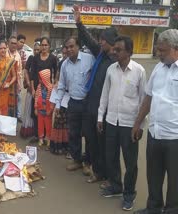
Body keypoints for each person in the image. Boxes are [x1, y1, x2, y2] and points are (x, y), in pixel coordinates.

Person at [97, 36, 146, 211]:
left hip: (129, 125)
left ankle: (129, 194)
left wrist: (139, 126)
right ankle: (116, 187)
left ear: (129, 52)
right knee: (111, 157)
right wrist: (100, 117)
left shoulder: (139, 71)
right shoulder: (111, 69)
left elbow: (143, 101)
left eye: (118, 49)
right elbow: (105, 94)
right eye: (114, 49)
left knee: (130, 162)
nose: (114, 52)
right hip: (111, 121)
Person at [132, 29, 178, 214]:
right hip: (154, 133)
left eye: (163, 51)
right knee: (153, 176)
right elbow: (148, 98)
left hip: (175, 137)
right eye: (158, 50)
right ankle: (153, 208)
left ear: (176, 49)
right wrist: (138, 123)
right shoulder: (158, 68)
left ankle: (172, 210)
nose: (159, 54)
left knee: (175, 180)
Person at [73, 4, 119, 184]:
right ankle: (97, 170)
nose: (100, 42)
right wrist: (79, 23)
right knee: (91, 139)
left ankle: (106, 174)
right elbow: (87, 39)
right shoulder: (100, 54)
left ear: (111, 43)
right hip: (90, 104)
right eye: (100, 40)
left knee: (104, 144)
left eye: (103, 41)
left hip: (104, 109)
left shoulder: (115, 61)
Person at [55, 37, 95, 173]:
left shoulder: (89, 59)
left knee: (89, 134)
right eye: (67, 47)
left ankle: (88, 163)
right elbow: (61, 85)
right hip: (72, 102)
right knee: (73, 133)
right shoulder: (65, 65)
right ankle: (76, 160)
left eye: (72, 46)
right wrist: (57, 104)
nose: (69, 49)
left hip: (87, 103)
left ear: (78, 46)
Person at [50, 44, 69, 155]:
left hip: (70, 96)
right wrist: (57, 84)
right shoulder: (62, 63)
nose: (66, 54)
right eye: (65, 52)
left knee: (68, 123)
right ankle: (57, 146)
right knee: (58, 120)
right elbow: (57, 78)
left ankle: (67, 147)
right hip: (61, 96)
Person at [20, 42, 40, 138]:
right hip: (30, 89)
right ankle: (27, 131)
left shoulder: (42, 59)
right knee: (29, 110)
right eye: (35, 49)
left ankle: (37, 133)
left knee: (37, 112)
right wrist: (28, 82)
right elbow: (26, 70)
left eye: (38, 50)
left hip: (40, 90)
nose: (36, 51)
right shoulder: (31, 58)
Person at [34, 69, 54, 148]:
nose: (39, 81)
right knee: (40, 125)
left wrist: (51, 109)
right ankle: (41, 139)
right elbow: (36, 97)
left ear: (45, 79)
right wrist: (36, 108)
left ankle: (48, 139)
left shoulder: (51, 88)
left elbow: (53, 100)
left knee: (48, 126)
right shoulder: (39, 87)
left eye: (41, 79)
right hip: (40, 109)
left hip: (48, 110)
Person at [7, 36, 23, 121]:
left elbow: (19, 72)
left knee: (17, 101)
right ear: (8, 44)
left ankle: (16, 118)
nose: (14, 45)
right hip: (6, 83)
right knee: (7, 104)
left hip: (16, 83)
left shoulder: (18, 55)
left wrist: (20, 85)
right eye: (12, 43)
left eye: (15, 43)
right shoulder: (5, 53)